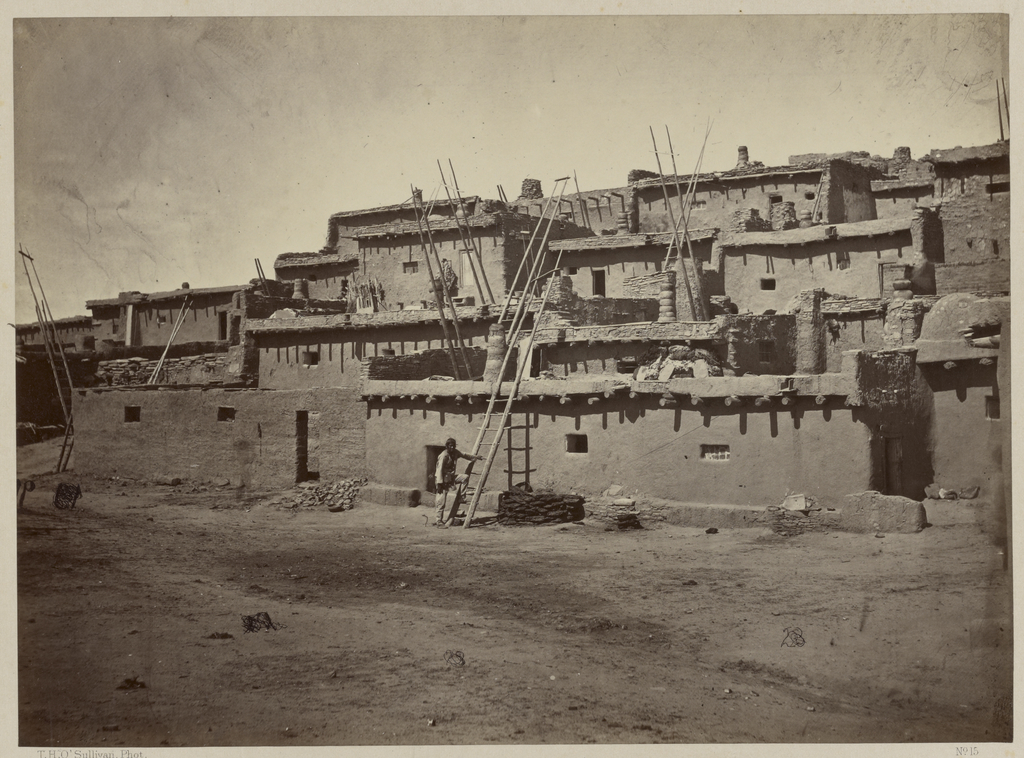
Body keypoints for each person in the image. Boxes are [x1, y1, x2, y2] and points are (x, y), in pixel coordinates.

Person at [434, 437, 481, 527]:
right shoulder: (443, 455)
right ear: (447, 446)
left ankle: (462, 497)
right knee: (441, 502)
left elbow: (465, 455)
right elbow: (439, 470)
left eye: (453, 446)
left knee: (465, 477)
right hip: (442, 481)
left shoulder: (455, 452)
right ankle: (439, 521)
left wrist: (476, 457)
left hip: (451, 478)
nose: (452, 448)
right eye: (450, 446)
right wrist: (439, 484)